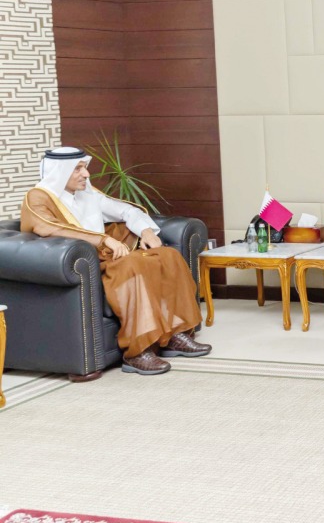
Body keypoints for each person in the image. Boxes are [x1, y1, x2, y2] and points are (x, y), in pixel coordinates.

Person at [20, 147, 210, 376]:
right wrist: (104, 240)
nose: (86, 174)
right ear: (59, 172)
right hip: (86, 263)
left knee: (169, 256)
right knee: (131, 266)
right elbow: (51, 228)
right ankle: (137, 352)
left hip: (110, 255)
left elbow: (125, 210)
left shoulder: (86, 193)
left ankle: (175, 335)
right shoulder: (38, 197)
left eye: (85, 168)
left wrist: (146, 231)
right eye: (78, 169)